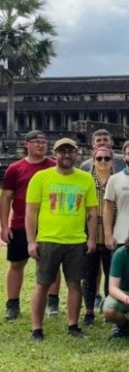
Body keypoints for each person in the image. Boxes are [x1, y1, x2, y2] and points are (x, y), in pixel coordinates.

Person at [25, 138, 99, 343]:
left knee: (75, 283)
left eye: (70, 151)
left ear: (77, 154)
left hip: (76, 240)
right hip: (48, 238)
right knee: (42, 283)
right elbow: (31, 212)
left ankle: (73, 324)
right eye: (62, 151)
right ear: (55, 154)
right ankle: (37, 328)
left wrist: (92, 238)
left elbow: (91, 211)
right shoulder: (41, 177)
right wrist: (31, 241)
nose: (66, 155)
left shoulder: (85, 179)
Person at [1, 131, 58, 320]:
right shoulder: (15, 168)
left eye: (44, 142)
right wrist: (4, 225)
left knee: (49, 264)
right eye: (36, 142)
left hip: (48, 224)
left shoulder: (53, 167)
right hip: (19, 223)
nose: (41, 145)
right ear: (27, 144)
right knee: (17, 264)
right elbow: (6, 197)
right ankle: (13, 303)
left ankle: (52, 301)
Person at [82, 146, 116, 326]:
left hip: (111, 232)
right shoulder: (86, 180)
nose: (103, 162)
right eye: (99, 158)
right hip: (91, 232)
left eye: (106, 158)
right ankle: (88, 311)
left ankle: (109, 308)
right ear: (93, 160)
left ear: (112, 161)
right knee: (89, 273)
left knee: (112, 273)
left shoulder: (117, 179)